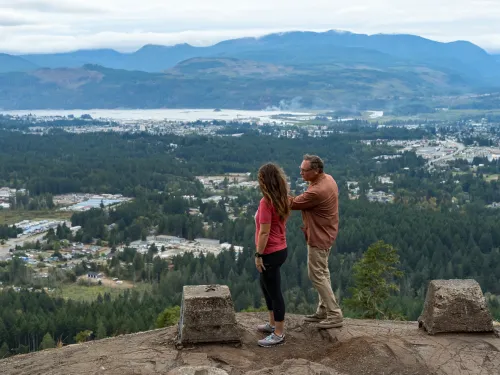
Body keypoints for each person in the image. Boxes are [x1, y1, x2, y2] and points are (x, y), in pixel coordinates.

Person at [289, 154, 343, 329]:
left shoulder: (317, 191)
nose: (301, 173)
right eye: (300, 169)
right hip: (327, 233)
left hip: (319, 236)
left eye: (304, 170)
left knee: (316, 275)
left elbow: (292, 203)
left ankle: (334, 314)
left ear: (316, 170)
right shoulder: (329, 179)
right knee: (323, 272)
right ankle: (323, 310)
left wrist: (275, 191)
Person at [254, 163, 290, 347]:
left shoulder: (266, 202)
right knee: (266, 286)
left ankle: (278, 333)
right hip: (280, 248)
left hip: (270, 251)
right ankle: (272, 324)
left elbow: (264, 232)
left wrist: (258, 254)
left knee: (274, 292)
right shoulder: (282, 197)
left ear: (265, 181)